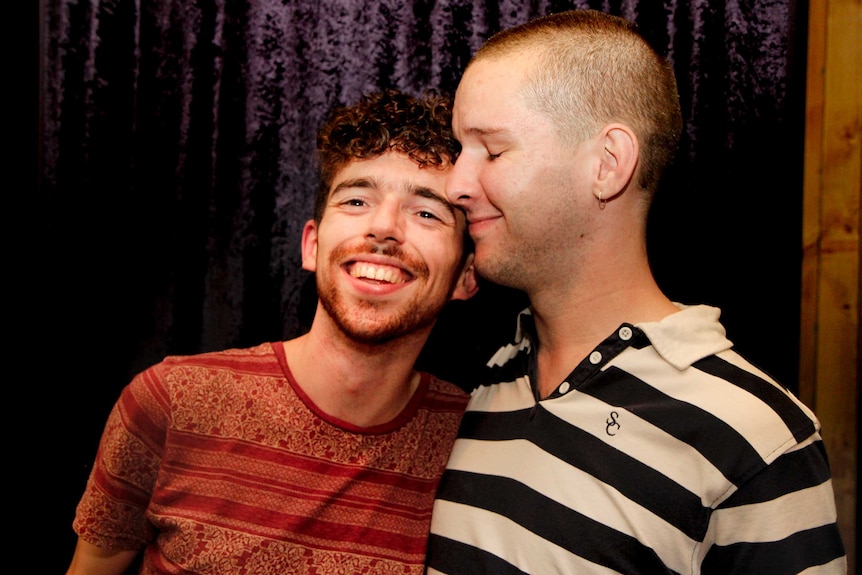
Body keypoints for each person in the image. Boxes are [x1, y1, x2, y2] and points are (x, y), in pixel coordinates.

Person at [425, 9, 847, 575]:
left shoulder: (755, 439)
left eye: (493, 151)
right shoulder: (486, 382)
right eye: (459, 149)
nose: (455, 183)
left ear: (608, 164)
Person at [65, 89, 479, 575]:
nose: (384, 227)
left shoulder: (477, 445)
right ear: (311, 245)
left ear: (466, 277)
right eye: (356, 199)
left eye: (426, 212)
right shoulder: (171, 401)